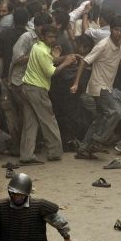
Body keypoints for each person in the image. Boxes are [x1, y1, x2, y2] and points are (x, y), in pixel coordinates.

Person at [70, 15, 121, 158]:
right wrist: (76, 83)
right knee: (115, 112)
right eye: (116, 30)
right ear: (111, 30)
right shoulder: (103, 44)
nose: (119, 33)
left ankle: (84, 148)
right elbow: (84, 62)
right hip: (98, 86)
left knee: (100, 118)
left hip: (107, 86)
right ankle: (98, 141)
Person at [20, 23, 77, 164]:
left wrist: (59, 57)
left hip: (28, 88)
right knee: (49, 121)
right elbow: (51, 72)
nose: (52, 40)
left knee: (30, 123)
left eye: (54, 37)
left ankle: (27, 155)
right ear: (43, 36)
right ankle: (55, 152)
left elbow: (49, 61)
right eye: (50, 37)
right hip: (37, 89)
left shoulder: (38, 47)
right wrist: (66, 62)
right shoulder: (42, 51)